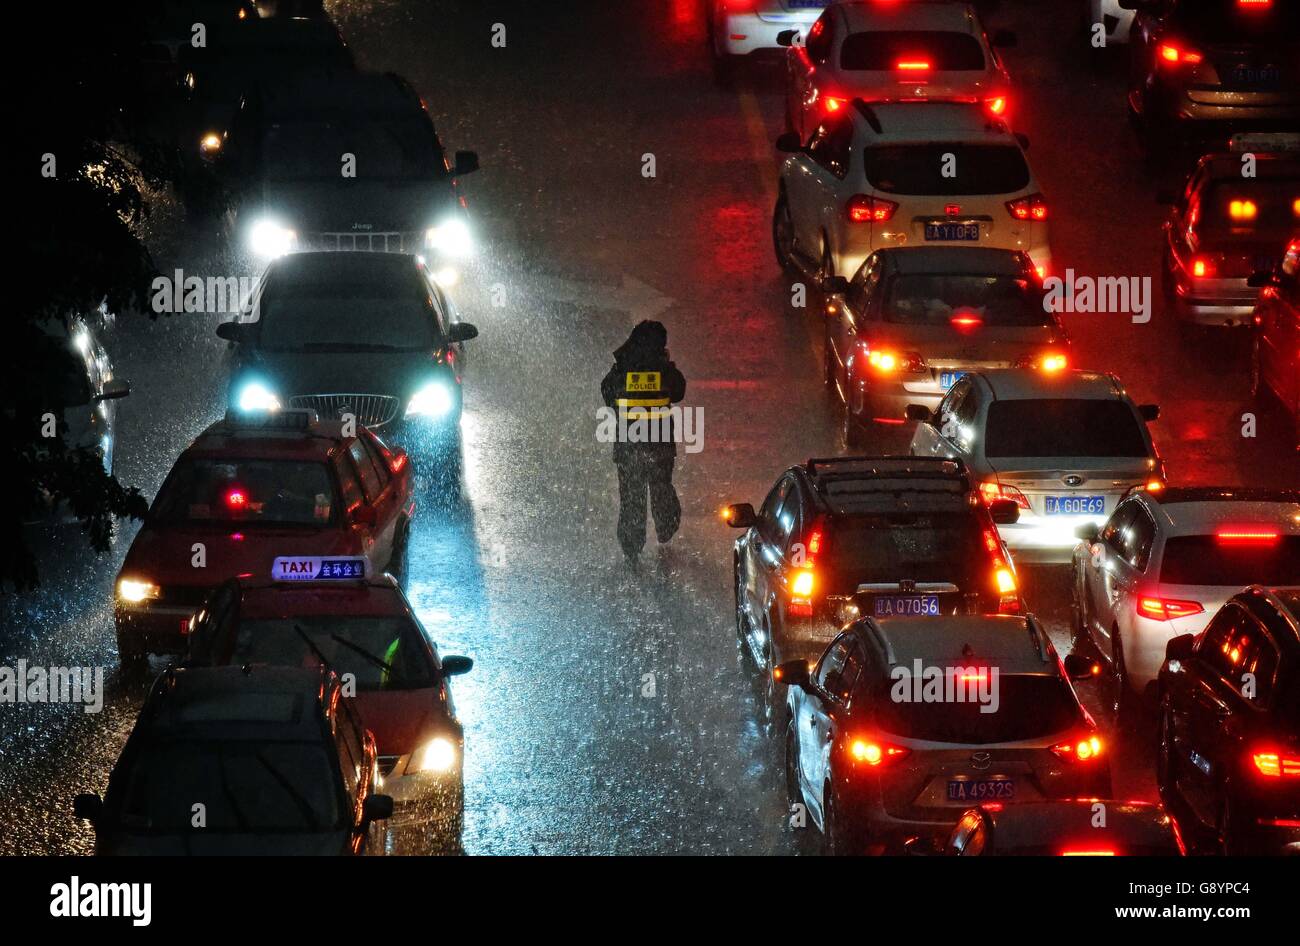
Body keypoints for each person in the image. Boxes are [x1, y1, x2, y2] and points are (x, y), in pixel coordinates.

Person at [600, 321, 686, 562]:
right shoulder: (663, 369)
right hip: (659, 446)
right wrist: (667, 365)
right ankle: (666, 528)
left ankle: (631, 546)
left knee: (631, 498)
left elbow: (607, 393)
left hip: (629, 447)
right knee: (661, 489)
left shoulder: (623, 366)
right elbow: (679, 391)